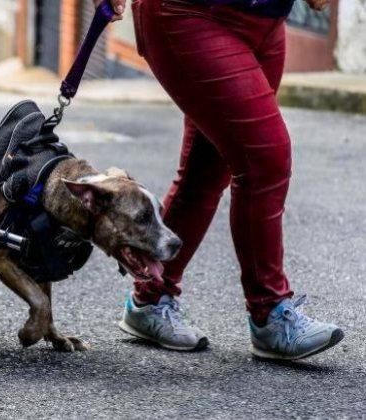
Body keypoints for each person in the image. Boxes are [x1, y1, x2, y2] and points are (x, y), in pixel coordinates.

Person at [94, 0, 344, 360]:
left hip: (266, 20)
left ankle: (149, 300)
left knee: (208, 168)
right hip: (187, 13)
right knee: (265, 157)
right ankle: (270, 312)